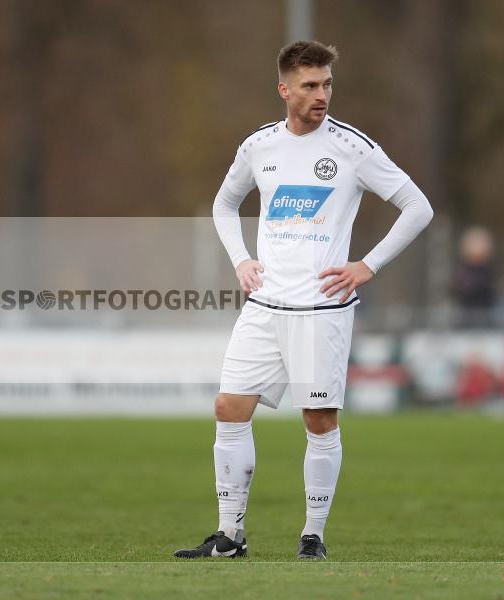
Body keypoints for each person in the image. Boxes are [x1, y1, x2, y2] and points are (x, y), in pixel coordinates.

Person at [173, 41, 433, 560]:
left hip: (321, 311)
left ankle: (312, 536)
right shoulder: (258, 147)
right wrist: (240, 260)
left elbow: (417, 206)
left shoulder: (352, 148)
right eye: (311, 85)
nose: (322, 95)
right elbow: (224, 205)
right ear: (284, 89)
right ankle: (230, 536)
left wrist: (366, 265)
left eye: (328, 84)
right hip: (265, 307)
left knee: (319, 421)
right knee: (228, 407)